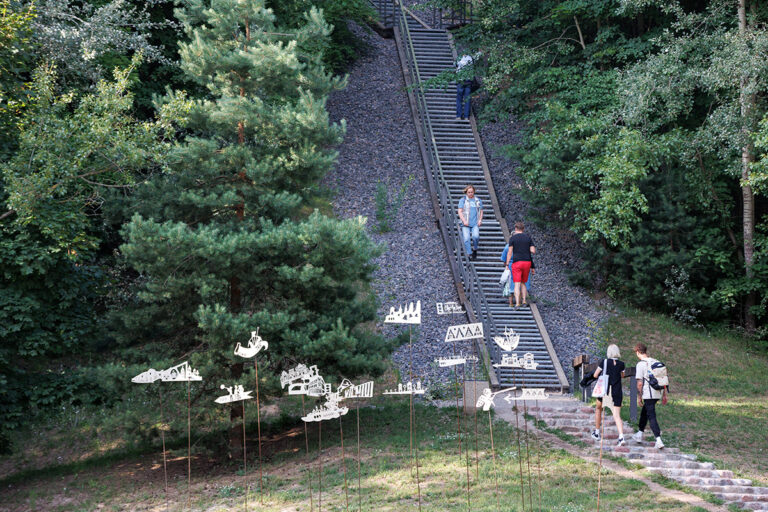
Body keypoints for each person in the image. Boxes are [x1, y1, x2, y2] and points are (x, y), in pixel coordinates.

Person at [590, 344, 626, 446]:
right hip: (617, 391)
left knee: (598, 409)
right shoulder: (622, 364)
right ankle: (621, 437)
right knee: (617, 415)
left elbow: (595, 375)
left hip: (605, 390)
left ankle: (597, 432)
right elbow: (622, 375)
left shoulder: (604, 362)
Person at [633, 343, 665, 449]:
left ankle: (658, 439)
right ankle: (639, 434)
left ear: (638, 352)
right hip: (658, 392)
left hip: (648, 393)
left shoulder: (641, 364)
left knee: (651, 416)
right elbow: (663, 378)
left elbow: (640, 383)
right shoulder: (655, 361)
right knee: (645, 413)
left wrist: (639, 397)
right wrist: (664, 395)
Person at [505, 221, 535, 307]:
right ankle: (524, 301)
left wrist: (507, 265)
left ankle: (518, 303)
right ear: (523, 229)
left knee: (517, 283)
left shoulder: (512, 239)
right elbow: (533, 251)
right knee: (523, 282)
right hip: (527, 263)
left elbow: (510, 252)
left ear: (515, 229)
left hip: (517, 263)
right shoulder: (528, 238)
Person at [458, 185, 483, 261]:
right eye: (469, 192)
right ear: (466, 192)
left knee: (476, 236)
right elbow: (460, 211)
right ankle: (469, 254)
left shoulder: (477, 200)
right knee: (466, 238)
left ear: (474, 192)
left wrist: (480, 220)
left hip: (475, 223)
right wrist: (463, 220)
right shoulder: (463, 200)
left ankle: (475, 248)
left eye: (472, 192)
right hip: (466, 223)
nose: (470, 194)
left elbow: (481, 211)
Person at [455, 53, 474, 120]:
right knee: (467, 99)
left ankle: (458, 116)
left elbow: (456, 66)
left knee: (459, 99)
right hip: (468, 81)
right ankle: (466, 116)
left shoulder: (459, 58)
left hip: (461, 81)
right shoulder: (471, 59)